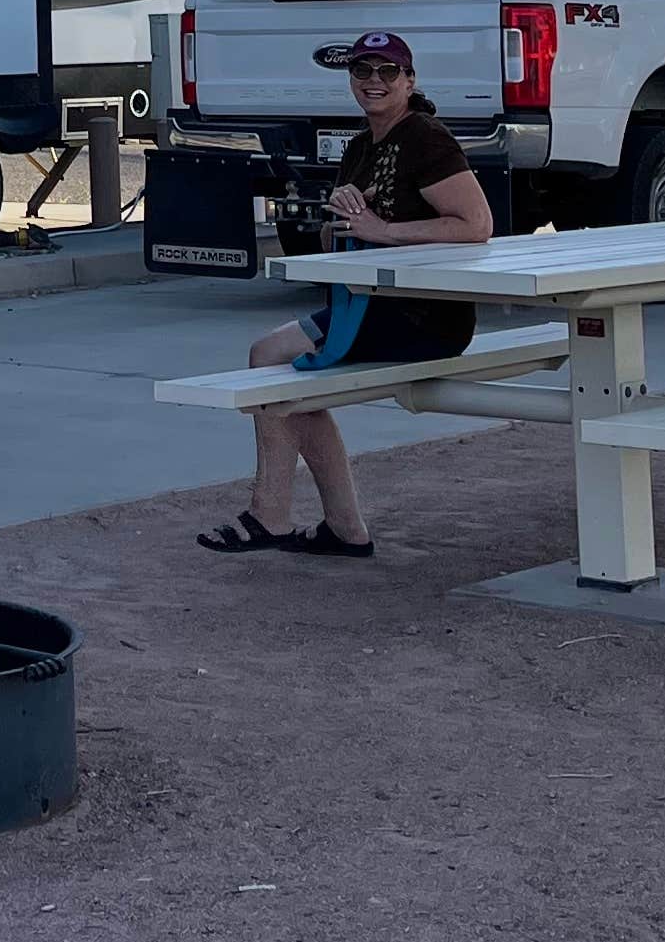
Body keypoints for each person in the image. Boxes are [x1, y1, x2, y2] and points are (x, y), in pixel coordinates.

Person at [199, 29, 493, 559]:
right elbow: (354, 232)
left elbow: (476, 224)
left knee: (280, 374)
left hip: (424, 315)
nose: (373, 82)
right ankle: (343, 530)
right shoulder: (361, 146)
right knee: (268, 358)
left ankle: (272, 515)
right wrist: (342, 223)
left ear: (409, 80)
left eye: (387, 72)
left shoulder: (425, 136)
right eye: (363, 71)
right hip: (368, 306)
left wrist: (386, 231)